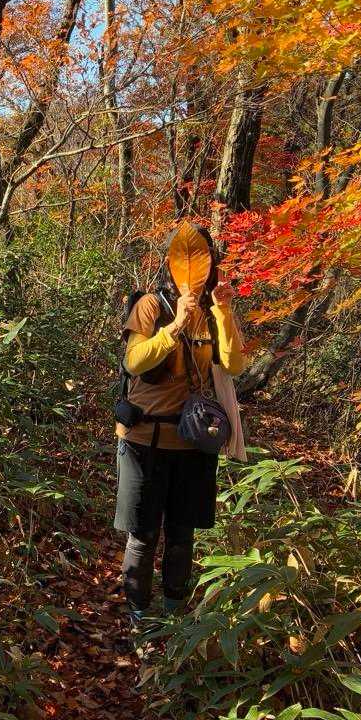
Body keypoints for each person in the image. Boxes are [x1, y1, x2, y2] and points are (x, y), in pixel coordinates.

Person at [114, 225, 245, 622]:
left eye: (203, 260)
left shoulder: (213, 313)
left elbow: (234, 364)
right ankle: (139, 614)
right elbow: (134, 361)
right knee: (143, 536)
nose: (194, 270)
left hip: (194, 443)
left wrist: (223, 311)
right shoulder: (150, 306)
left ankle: (173, 615)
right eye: (187, 259)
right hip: (144, 441)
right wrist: (174, 326)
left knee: (181, 535)